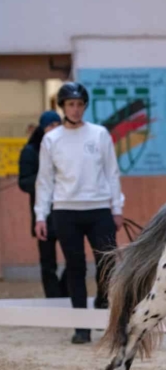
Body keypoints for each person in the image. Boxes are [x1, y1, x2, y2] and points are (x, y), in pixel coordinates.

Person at [35, 82, 124, 344]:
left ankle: (102, 307)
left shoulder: (99, 134)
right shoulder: (51, 139)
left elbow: (112, 172)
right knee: (74, 268)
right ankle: (81, 327)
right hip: (65, 211)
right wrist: (41, 214)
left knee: (106, 265)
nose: (75, 109)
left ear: (85, 107)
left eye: (80, 104)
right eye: (70, 104)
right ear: (62, 107)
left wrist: (116, 207)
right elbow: (45, 179)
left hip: (98, 209)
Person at [18, 111, 68, 299]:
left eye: (57, 124)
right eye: (50, 125)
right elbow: (24, 182)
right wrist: (46, 181)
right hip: (43, 213)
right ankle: (53, 298)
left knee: (73, 259)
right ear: (42, 128)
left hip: (66, 210)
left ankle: (64, 293)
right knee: (48, 263)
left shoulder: (66, 147)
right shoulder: (31, 151)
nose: (54, 129)